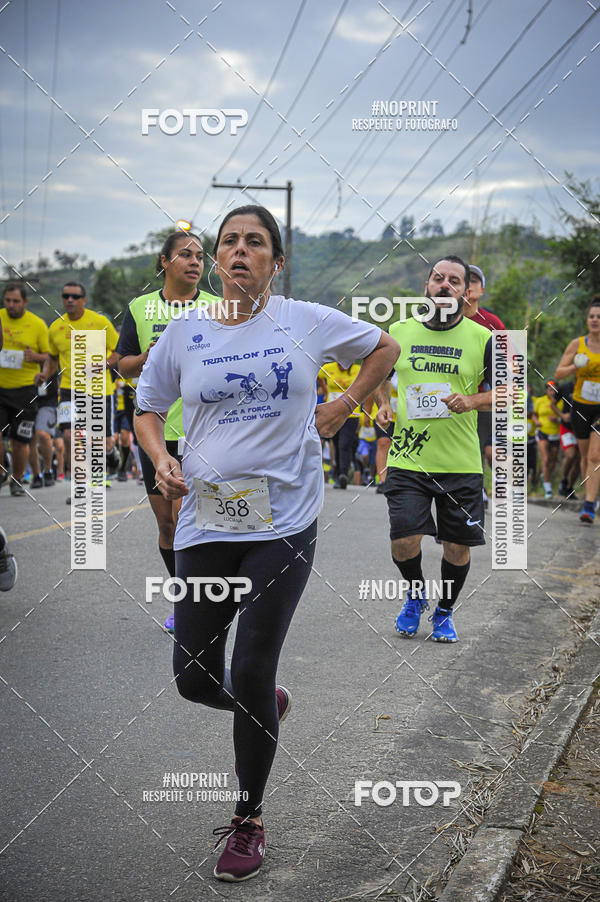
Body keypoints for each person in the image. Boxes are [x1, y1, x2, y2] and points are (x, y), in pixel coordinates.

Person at [134, 204, 399, 882]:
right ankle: (265, 705)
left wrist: (344, 405)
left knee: (251, 664)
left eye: (256, 242)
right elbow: (147, 409)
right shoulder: (185, 332)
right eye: (230, 242)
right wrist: (162, 457)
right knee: (194, 677)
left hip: (282, 522)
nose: (240, 251)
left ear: (276, 261)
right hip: (205, 521)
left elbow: (384, 348)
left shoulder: (306, 320)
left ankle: (249, 818)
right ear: (217, 260)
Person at [375, 255, 493, 644]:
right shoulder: (399, 331)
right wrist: (383, 402)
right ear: (427, 287)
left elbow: (512, 394)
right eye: (438, 278)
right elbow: (376, 371)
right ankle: (414, 594)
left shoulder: (484, 340)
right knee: (403, 540)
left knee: (457, 547)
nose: (445, 285)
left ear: (466, 292)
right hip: (408, 456)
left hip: (460, 462)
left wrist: (472, 402)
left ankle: (444, 611)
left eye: (454, 281)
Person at [114, 230, 219, 632]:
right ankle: (184, 595)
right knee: (168, 525)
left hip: (204, 431)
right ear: (164, 262)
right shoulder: (140, 308)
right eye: (185, 255)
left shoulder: (217, 306)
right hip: (155, 430)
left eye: (200, 256)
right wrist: (148, 357)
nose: (195, 262)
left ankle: (204, 602)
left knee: (196, 518)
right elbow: (120, 364)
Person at [37, 282, 120, 498]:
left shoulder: (100, 322)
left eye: (75, 296)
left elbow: (119, 353)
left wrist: (101, 365)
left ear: (84, 299)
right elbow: (52, 359)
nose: (70, 300)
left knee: (101, 440)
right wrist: (45, 375)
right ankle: (80, 486)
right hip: (68, 390)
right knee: (70, 435)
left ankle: (111, 451)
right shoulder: (55, 327)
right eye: (66, 296)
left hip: (100, 390)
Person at [0, 283, 49, 496]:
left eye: (15, 301)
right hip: (0, 388)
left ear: (25, 302)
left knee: (21, 440)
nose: (10, 305)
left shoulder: (37, 324)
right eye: (7, 301)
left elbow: (50, 356)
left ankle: (17, 480)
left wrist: (35, 358)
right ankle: (2, 471)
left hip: (25, 391)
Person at [464, 264, 506, 506]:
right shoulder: (445, 320)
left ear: (482, 289)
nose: (468, 286)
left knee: (482, 448)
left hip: (482, 399)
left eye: (474, 281)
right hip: (448, 396)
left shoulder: (492, 322)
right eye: (464, 280)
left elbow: (510, 362)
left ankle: (484, 488)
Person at [555, 297, 600, 522]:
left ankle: (590, 505)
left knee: (595, 455)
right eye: (591, 316)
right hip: (581, 406)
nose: (595, 320)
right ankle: (589, 497)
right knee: (584, 458)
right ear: (586, 319)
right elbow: (558, 373)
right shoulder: (577, 344)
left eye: (599, 317)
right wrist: (575, 366)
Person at [320, 360, 361, 488]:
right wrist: (326, 391)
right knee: (336, 444)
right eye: (340, 364)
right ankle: (338, 474)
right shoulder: (328, 367)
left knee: (345, 444)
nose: (342, 366)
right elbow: (318, 376)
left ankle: (343, 473)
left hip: (351, 414)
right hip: (333, 414)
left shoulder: (358, 369)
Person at [532, 381, 562, 499]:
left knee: (552, 462)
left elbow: (566, 416)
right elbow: (533, 414)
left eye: (554, 390)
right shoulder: (540, 401)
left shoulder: (561, 401)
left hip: (555, 433)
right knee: (546, 459)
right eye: (550, 389)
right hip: (542, 432)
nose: (552, 392)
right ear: (546, 391)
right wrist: (536, 421)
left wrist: (558, 420)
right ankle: (548, 490)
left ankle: (544, 475)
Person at [30, 372, 60, 488]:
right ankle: (37, 475)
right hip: (26, 399)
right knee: (30, 439)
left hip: (48, 402)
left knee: (42, 434)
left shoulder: (51, 358)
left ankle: (48, 470)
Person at [551, 380, 579, 498]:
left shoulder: (591, 386)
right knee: (571, 455)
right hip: (567, 428)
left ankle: (569, 488)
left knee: (579, 460)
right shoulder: (565, 387)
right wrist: (562, 416)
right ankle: (563, 480)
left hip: (583, 429)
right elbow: (552, 404)